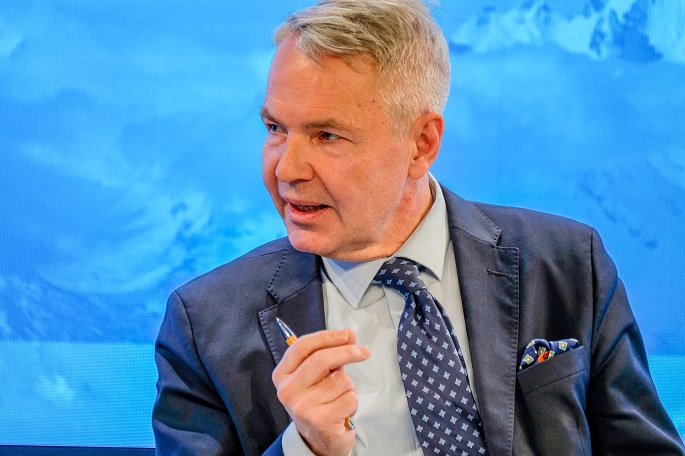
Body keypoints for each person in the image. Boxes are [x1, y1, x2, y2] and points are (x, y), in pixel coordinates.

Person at [152, 0, 685, 454]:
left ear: (422, 144)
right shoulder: (204, 326)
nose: (287, 169)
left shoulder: (568, 264)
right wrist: (305, 447)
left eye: (327, 136)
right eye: (275, 128)